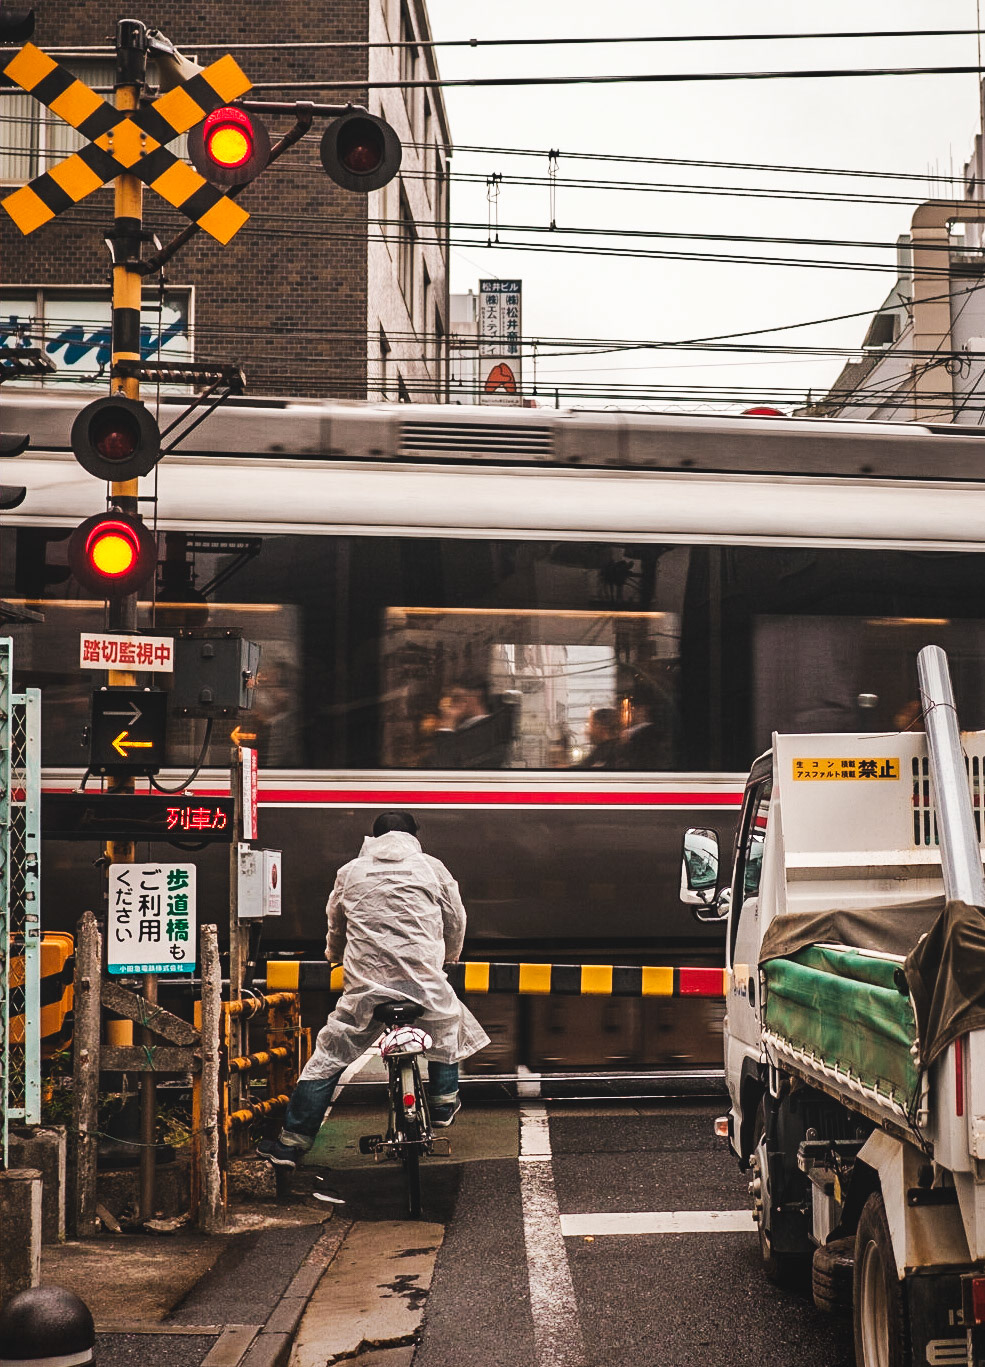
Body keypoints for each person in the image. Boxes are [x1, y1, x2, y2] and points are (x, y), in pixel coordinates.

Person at [258, 811, 489, 1169]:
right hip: (423, 983)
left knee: (328, 1057)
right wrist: (451, 957)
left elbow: (336, 925)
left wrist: (333, 957)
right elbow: (454, 919)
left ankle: (292, 1142)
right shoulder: (432, 868)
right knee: (447, 1019)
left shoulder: (350, 872)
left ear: (374, 837)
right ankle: (443, 1101)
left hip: (365, 988)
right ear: (414, 835)